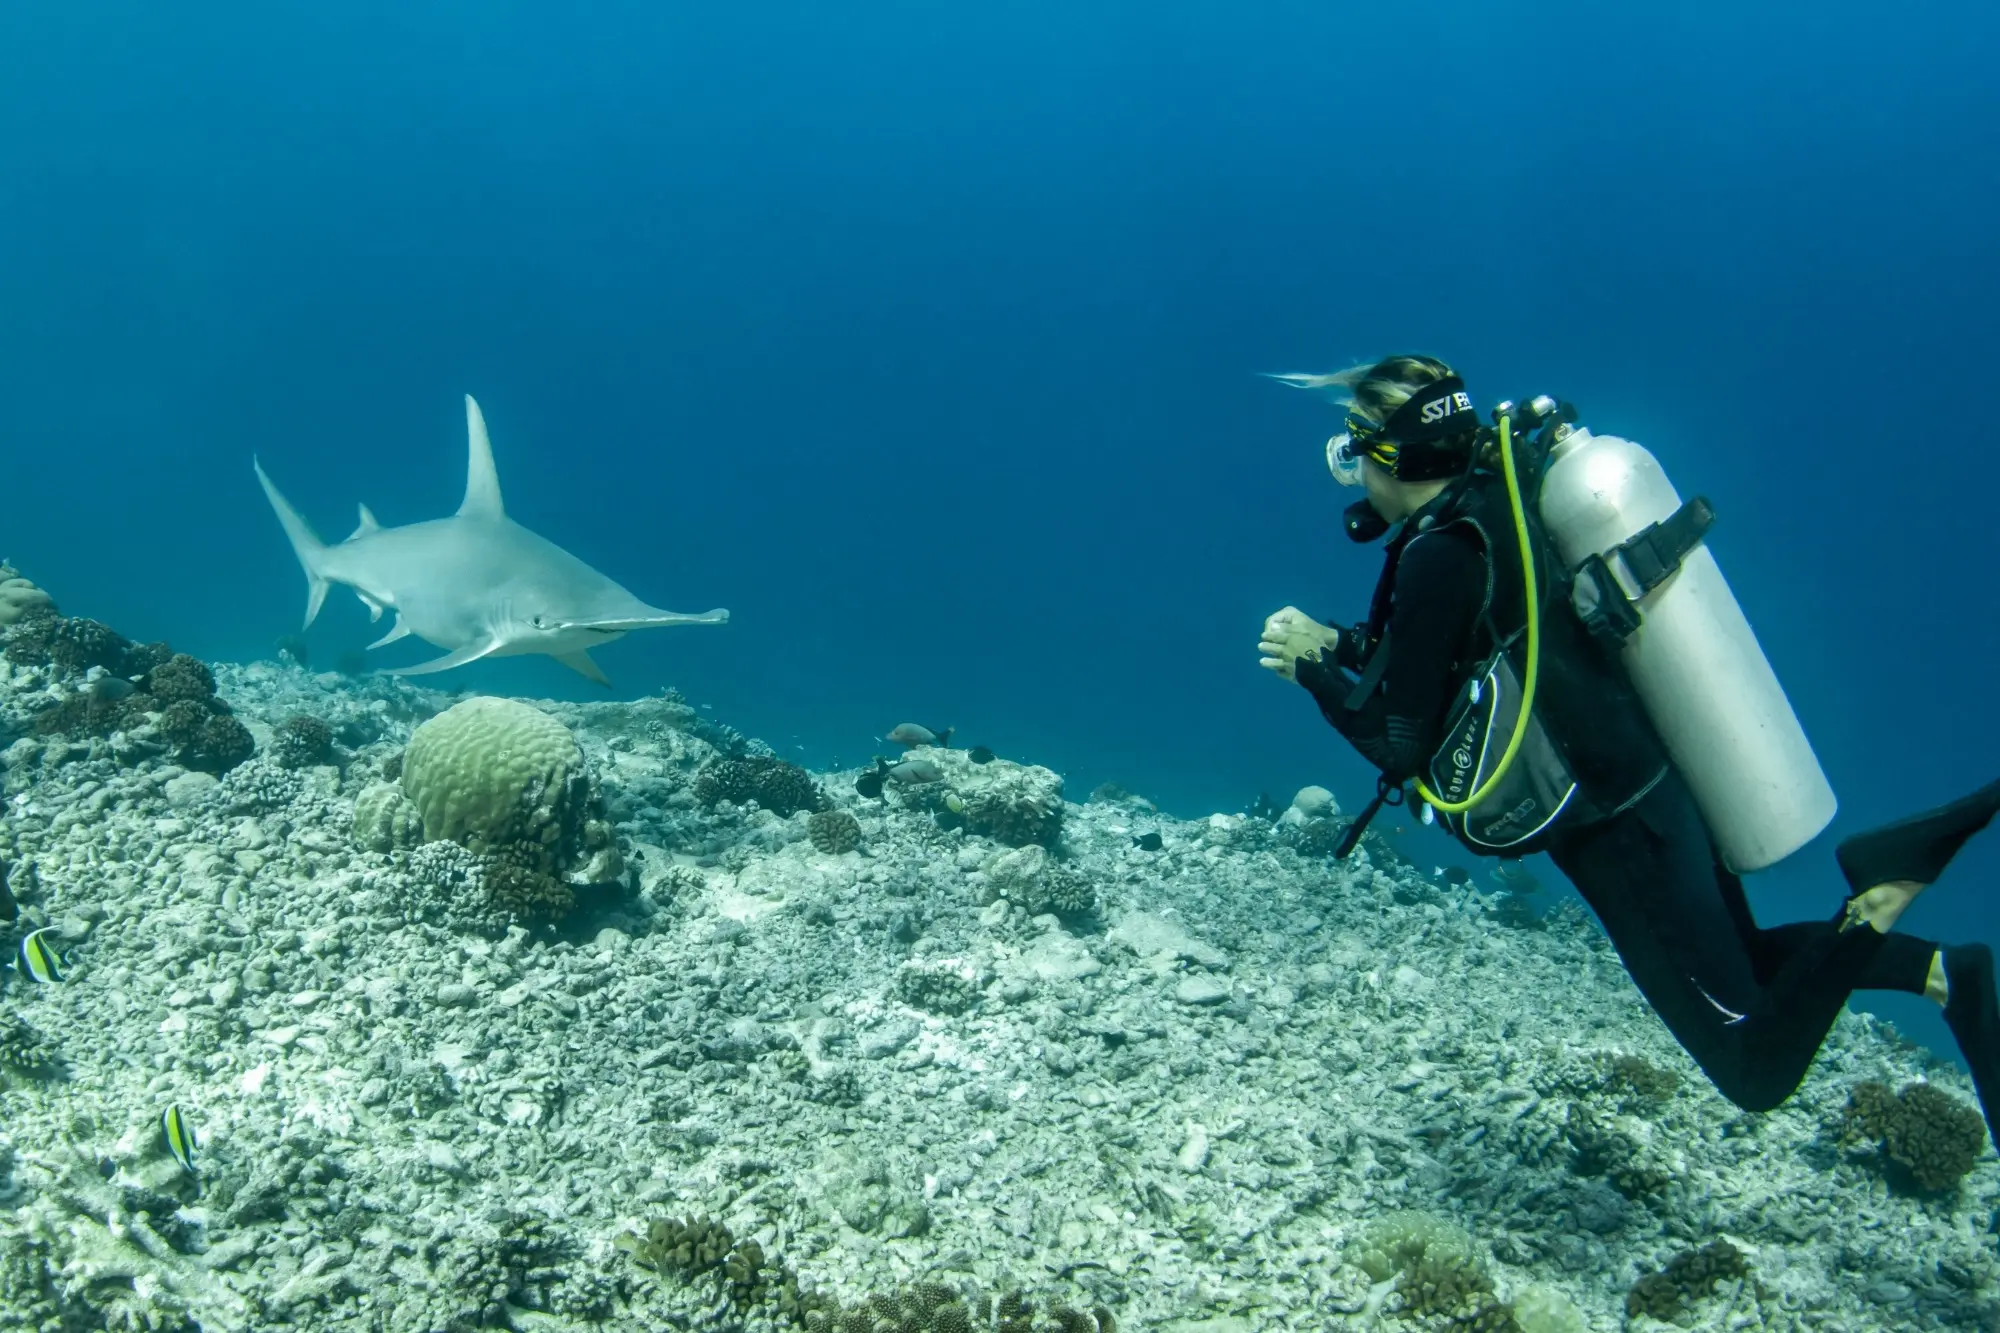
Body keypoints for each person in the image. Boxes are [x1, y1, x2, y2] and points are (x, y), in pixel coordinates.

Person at [1258, 353, 2000, 1143]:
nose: (1348, 470)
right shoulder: (1489, 505)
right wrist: (1338, 640)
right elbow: (1429, 656)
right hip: (1654, 780)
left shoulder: (1438, 553)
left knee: (1750, 1066)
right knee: (1744, 964)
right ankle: (1947, 975)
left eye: (1353, 446)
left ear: (1390, 454)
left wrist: (1310, 669)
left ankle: (1880, 893)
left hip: (1613, 828)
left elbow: (1403, 744)